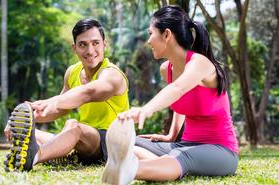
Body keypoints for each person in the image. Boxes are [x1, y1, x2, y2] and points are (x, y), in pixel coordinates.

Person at [101, 5, 238, 185]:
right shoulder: (167, 69)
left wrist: (146, 110)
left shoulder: (200, 63)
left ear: (166, 35)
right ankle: (161, 165)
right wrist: (172, 135)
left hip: (221, 150)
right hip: (185, 144)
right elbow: (179, 99)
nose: (148, 40)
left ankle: (131, 170)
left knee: (183, 157)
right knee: (129, 143)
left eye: (151, 33)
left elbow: (178, 89)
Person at [3, 18, 129, 172]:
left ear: (105, 45)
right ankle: (64, 155)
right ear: (74, 48)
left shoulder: (112, 74)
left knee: (72, 125)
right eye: (83, 45)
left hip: (113, 141)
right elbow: (62, 109)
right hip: (84, 142)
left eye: (95, 43)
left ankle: (34, 157)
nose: (90, 51)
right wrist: (26, 120)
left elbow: (88, 92)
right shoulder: (72, 72)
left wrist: (54, 100)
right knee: (27, 133)